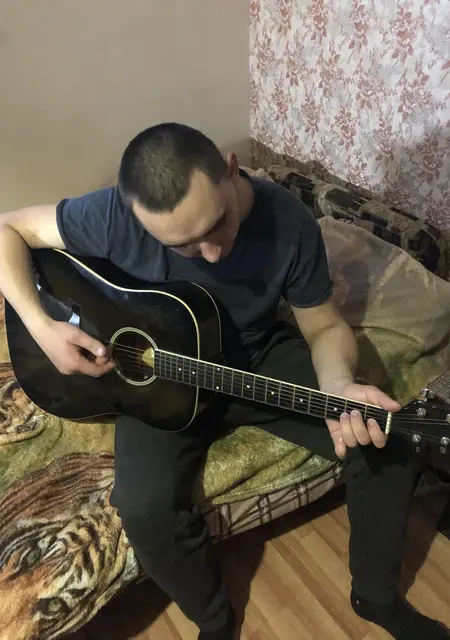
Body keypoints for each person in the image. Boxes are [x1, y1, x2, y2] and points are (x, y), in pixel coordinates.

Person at [0, 123, 447, 640]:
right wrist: (42, 326)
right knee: (143, 510)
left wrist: (339, 384)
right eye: (184, 246)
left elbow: (323, 326)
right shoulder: (112, 215)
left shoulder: (288, 221)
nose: (211, 254)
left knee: (384, 441)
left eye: (218, 225)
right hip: (156, 382)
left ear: (232, 171)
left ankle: (375, 596)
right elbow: (8, 230)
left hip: (255, 357)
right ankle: (214, 620)